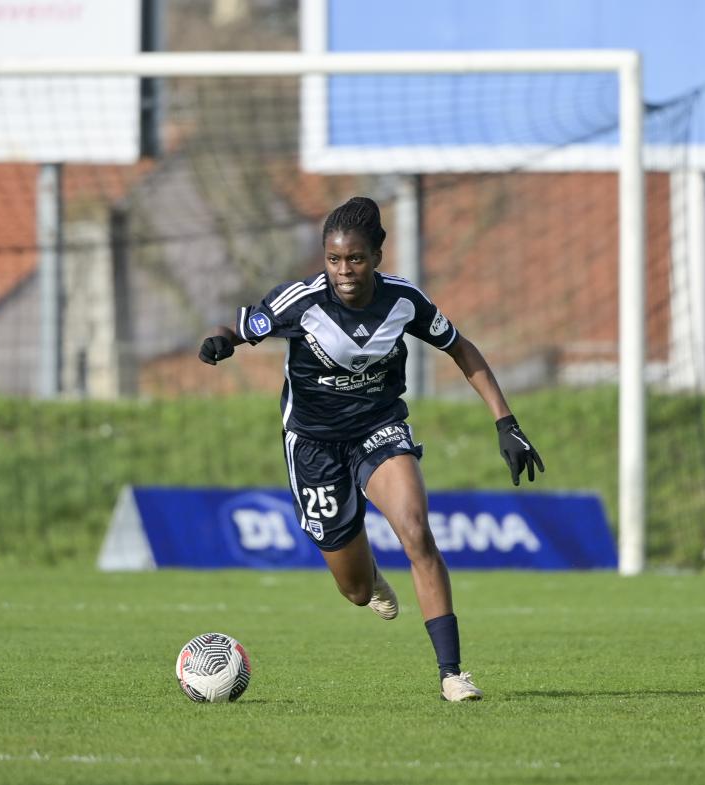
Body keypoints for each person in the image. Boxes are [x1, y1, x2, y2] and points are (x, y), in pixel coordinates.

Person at [198, 196, 543, 701]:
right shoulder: (301, 300)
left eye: (356, 258)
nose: (344, 271)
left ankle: (452, 674)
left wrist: (505, 421)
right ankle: (372, 576)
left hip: (379, 428)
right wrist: (220, 342)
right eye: (334, 259)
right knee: (355, 591)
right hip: (313, 444)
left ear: (377, 256)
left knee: (416, 532)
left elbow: (461, 348)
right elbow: (238, 327)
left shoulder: (403, 300)